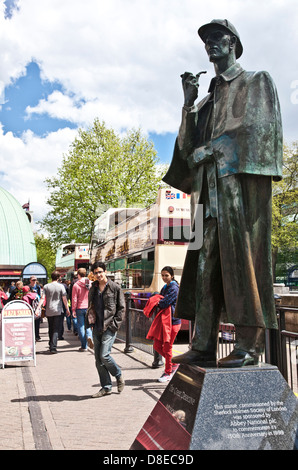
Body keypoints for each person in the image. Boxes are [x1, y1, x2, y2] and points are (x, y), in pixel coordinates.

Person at [163, 19, 283, 368]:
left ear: (233, 43)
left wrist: (213, 149)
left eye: (217, 38)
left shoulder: (255, 82)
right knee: (204, 270)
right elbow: (186, 151)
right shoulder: (205, 102)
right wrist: (187, 104)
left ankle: (249, 346)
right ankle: (202, 343)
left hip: (235, 194)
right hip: (205, 198)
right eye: (207, 41)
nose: (211, 44)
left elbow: (259, 129)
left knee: (242, 265)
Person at [86, 261, 125, 397]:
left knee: (104, 355)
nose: (98, 275)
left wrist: (115, 325)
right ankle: (106, 387)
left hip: (109, 326)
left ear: (105, 272)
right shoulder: (93, 288)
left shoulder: (115, 287)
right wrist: (89, 325)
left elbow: (121, 308)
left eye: (100, 272)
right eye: (96, 273)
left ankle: (118, 374)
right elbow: (90, 307)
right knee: (98, 360)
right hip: (96, 326)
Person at [150, 267, 181, 382]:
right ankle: (173, 363)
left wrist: (158, 300)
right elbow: (161, 300)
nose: (164, 278)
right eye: (162, 275)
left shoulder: (174, 287)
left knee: (167, 347)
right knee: (157, 345)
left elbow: (164, 302)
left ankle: (168, 372)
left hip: (173, 322)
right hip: (165, 322)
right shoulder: (166, 286)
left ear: (172, 276)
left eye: (166, 275)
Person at [36, 271, 70, 354]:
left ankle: (51, 344)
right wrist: (67, 309)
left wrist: (38, 308)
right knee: (55, 329)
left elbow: (42, 298)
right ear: (58, 278)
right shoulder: (61, 286)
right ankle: (53, 347)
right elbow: (64, 299)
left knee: (51, 327)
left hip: (49, 310)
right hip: (58, 310)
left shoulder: (46, 286)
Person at [72, 268, 93, 351]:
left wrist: (73, 309)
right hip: (89, 307)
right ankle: (90, 337)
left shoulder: (76, 285)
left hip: (80, 308)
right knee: (88, 325)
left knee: (81, 326)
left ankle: (84, 346)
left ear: (78, 275)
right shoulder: (91, 283)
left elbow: (74, 299)